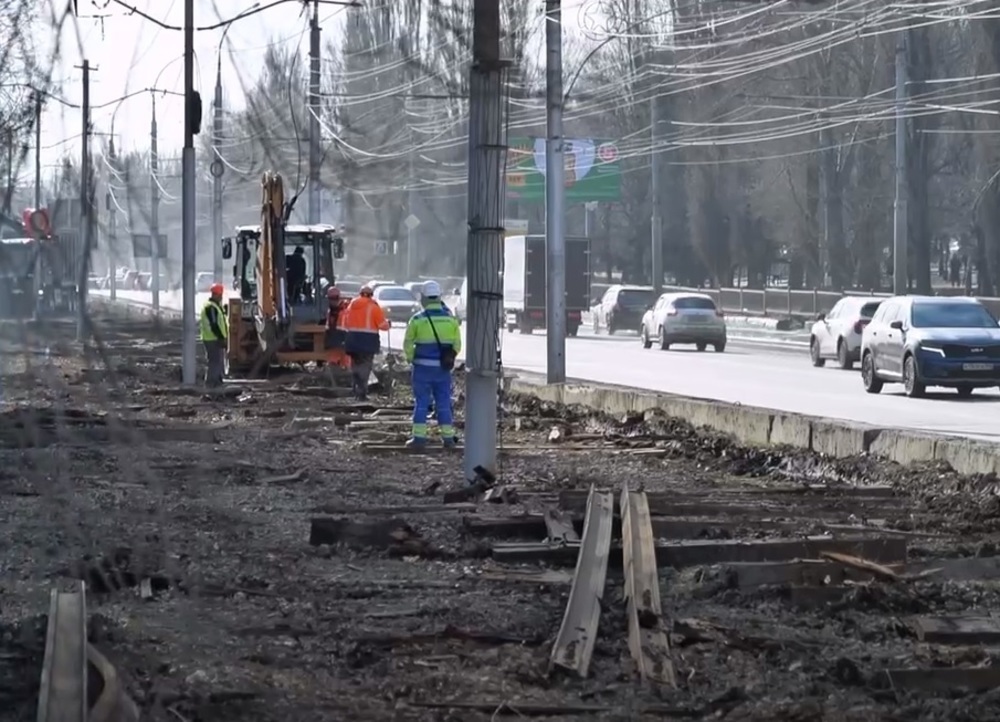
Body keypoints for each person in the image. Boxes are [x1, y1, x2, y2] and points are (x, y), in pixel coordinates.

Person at [403, 280, 461, 449]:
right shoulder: (451, 320)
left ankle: (419, 439)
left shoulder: (417, 320)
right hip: (442, 370)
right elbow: (457, 345)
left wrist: (411, 358)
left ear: (423, 298)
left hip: (422, 369)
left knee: (421, 402)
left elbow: (408, 344)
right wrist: (448, 358)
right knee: (443, 402)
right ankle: (448, 438)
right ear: (439, 297)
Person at [342, 283, 389, 399]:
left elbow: (345, 323)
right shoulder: (374, 307)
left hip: (352, 340)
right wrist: (388, 324)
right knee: (365, 367)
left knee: (355, 365)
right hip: (368, 341)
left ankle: (355, 389)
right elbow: (383, 326)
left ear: (360, 294)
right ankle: (361, 393)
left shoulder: (351, 305)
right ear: (371, 295)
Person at [200, 283, 229, 387]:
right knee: (214, 362)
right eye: (220, 295)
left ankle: (217, 381)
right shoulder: (211, 307)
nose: (221, 297)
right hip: (212, 339)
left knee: (217, 362)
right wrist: (221, 338)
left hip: (213, 338)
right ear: (217, 294)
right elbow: (214, 324)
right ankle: (211, 384)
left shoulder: (215, 306)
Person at [325, 286, 350, 368]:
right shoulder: (330, 311)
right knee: (333, 363)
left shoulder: (346, 309)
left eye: (334, 298)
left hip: (344, 339)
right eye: (331, 298)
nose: (332, 301)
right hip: (333, 340)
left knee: (346, 363)